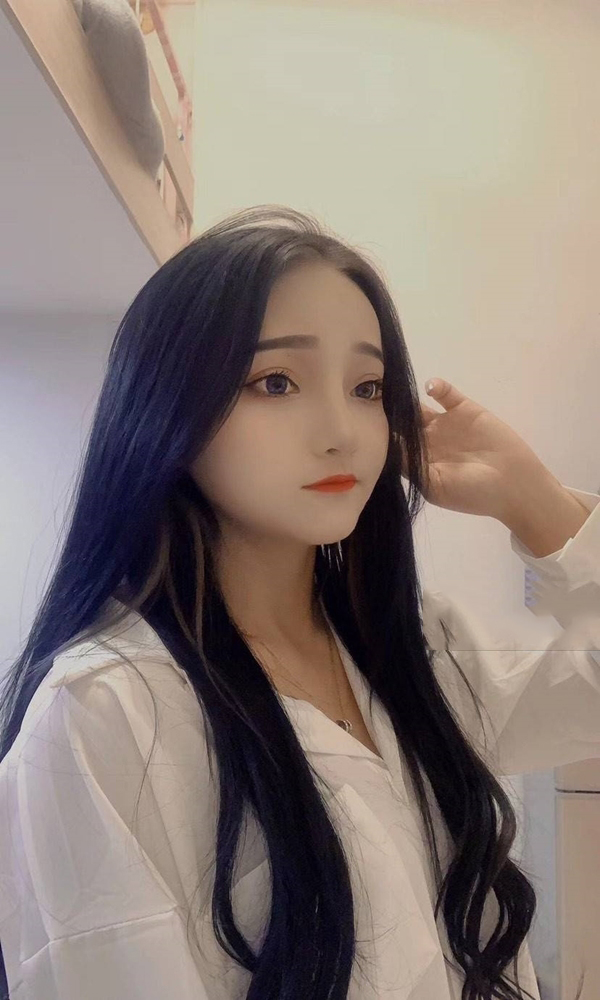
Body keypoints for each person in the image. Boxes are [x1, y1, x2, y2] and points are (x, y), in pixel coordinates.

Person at [0, 205, 597, 1000]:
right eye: (276, 382)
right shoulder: (105, 713)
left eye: (368, 387)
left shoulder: (417, 649)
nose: (341, 430)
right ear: (168, 405)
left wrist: (537, 503)